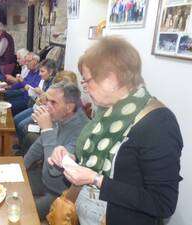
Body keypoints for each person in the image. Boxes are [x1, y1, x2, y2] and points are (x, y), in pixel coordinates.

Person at [48, 36, 183, 225]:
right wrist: (69, 159)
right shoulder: (108, 111)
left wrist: (97, 180)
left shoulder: (158, 123)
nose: (86, 89)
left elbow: (162, 203)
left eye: (88, 81)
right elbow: (96, 161)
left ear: (111, 79)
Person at [24, 81, 89, 219]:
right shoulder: (61, 117)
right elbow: (39, 145)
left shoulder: (81, 131)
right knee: (10, 184)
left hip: (59, 193)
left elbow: (54, 170)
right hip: (44, 180)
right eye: (47, 100)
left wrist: (47, 129)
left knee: (22, 212)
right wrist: (21, 166)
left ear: (69, 107)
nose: (47, 106)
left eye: (53, 102)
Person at [13, 59, 57, 154]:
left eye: (42, 71)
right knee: (16, 119)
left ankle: (25, 151)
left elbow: (50, 103)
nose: (40, 74)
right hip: (36, 107)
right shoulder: (43, 80)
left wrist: (41, 94)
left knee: (22, 125)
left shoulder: (54, 84)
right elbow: (36, 98)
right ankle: (21, 145)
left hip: (43, 112)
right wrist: (34, 93)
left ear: (51, 72)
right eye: (40, 71)